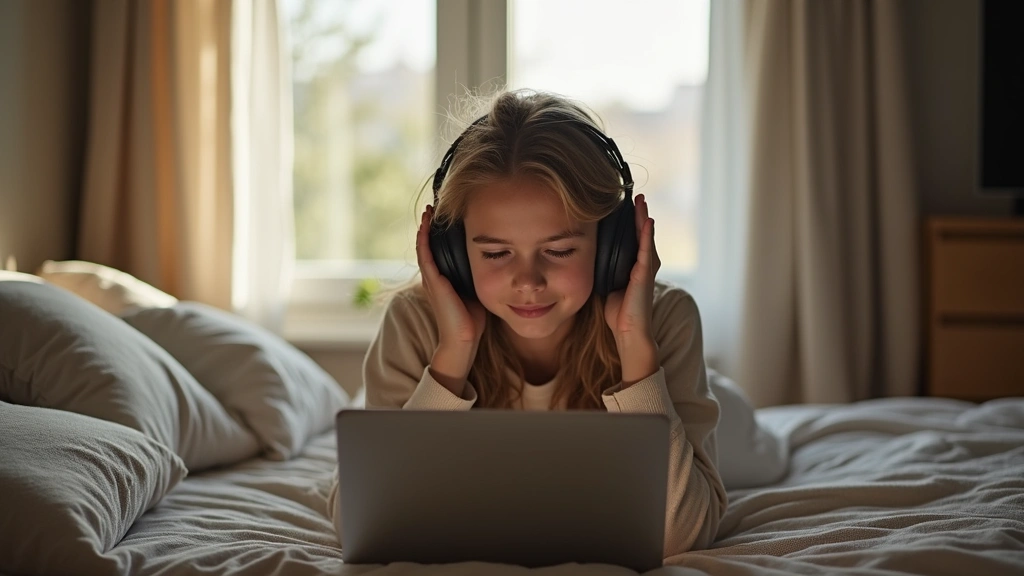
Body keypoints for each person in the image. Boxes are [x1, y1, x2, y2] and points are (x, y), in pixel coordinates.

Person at [328, 89, 726, 558]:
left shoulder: (663, 318)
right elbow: (362, 521)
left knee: (754, 447)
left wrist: (637, 351)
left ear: (612, 247)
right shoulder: (416, 322)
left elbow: (682, 535)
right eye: (495, 253)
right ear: (452, 253)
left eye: (558, 251)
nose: (528, 282)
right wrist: (452, 355)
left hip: (684, 382)